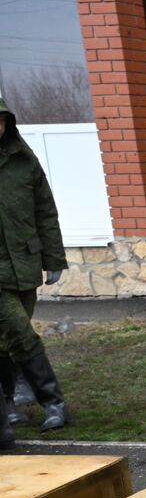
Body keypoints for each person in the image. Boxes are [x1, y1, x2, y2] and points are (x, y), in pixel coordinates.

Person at [0, 94, 69, 451]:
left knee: (8, 340)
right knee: (19, 333)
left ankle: (8, 403)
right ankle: (54, 402)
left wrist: (54, 257)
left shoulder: (24, 162)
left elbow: (45, 211)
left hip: (23, 264)